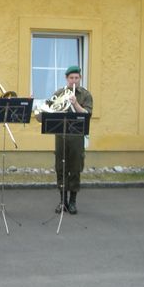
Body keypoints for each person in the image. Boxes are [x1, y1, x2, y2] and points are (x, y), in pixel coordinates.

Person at [50, 65, 93, 215]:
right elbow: (50, 112)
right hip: (61, 136)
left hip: (76, 137)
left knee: (75, 168)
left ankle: (73, 201)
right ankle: (63, 201)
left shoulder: (85, 95)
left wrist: (75, 103)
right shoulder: (59, 93)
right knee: (61, 168)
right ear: (66, 79)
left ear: (80, 78)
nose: (74, 81)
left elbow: (87, 115)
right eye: (71, 78)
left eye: (76, 78)